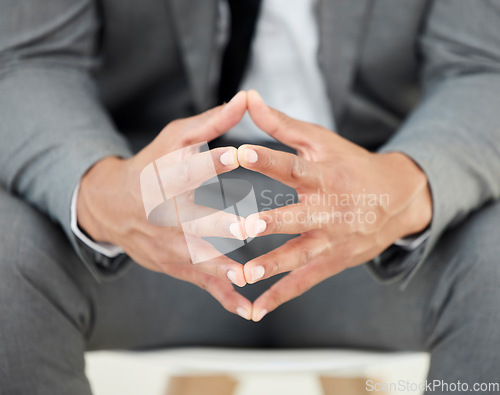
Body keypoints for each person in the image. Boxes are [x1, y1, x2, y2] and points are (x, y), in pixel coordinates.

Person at [1, 0, 499, 393]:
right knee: (8, 251)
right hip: (150, 227)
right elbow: (29, 59)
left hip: (371, 227)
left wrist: (401, 185)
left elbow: (482, 68)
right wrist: (103, 193)